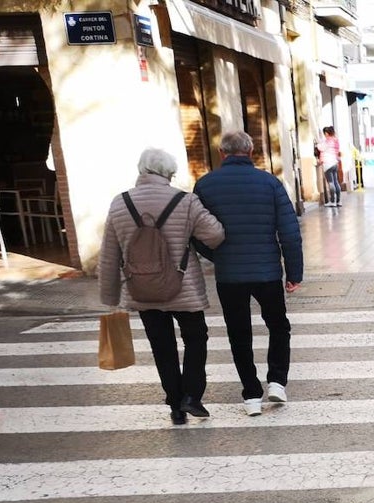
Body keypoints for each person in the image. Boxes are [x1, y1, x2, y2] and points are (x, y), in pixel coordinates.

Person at [98, 148, 224, 425]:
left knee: (162, 346)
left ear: (141, 170)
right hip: (183, 288)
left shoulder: (120, 204)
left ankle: (175, 407)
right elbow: (214, 235)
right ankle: (191, 395)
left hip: (141, 289)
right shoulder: (186, 201)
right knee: (195, 338)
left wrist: (110, 296)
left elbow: (109, 253)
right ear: (169, 173)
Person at [193, 130, 304, 417]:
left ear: (222, 153)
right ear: (251, 151)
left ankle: (251, 395)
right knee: (278, 325)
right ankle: (277, 381)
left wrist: (217, 257)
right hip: (267, 271)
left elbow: (194, 232)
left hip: (229, 275)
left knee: (238, 333)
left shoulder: (205, 185)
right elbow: (289, 233)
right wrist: (294, 272)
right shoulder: (270, 183)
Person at [318, 126, 342, 207]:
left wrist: (319, 141)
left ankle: (332, 201)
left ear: (327, 133)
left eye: (325, 134)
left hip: (328, 164)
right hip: (335, 163)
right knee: (336, 182)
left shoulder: (327, 141)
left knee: (331, 183)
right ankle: (338, 201)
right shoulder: (336, 141)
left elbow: (320, 147)